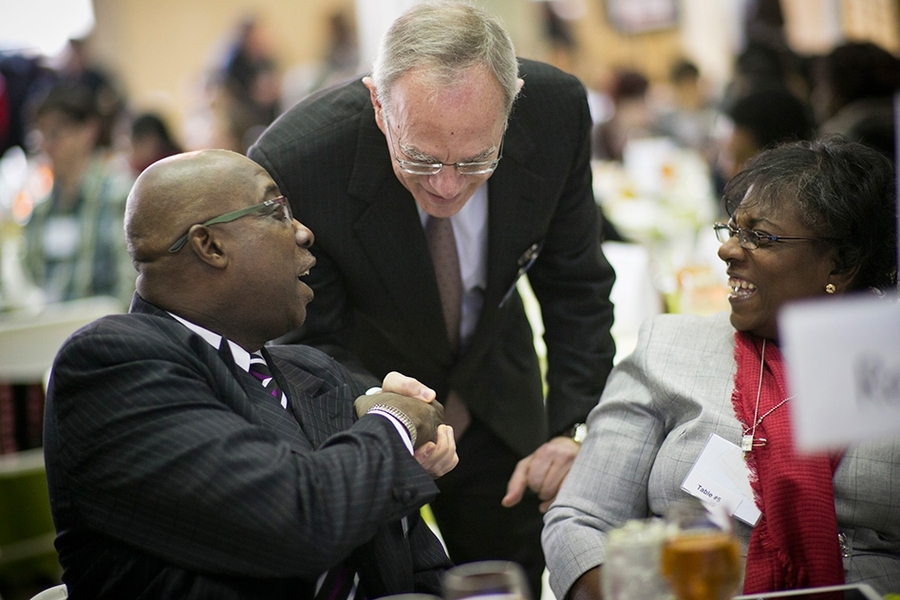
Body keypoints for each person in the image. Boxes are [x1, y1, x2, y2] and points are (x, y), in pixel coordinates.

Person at [248, 2, 617, 595]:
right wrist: (384, 416)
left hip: (500, 394)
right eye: (418, 157)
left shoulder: (556, 112)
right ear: (378, 105)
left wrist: (571, 428)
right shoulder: (299, 162)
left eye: (477, 159)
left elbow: (577, 286)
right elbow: (308, 339)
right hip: (369, 403)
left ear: (512, 102)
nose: (447, 186)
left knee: (510, 578)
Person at [42, 149, 458, 599]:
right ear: (210, 245)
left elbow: (422, 570)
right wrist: (394, 421)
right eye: (276, 210)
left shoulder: (317, 372)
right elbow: (298, 520)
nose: (304, 232)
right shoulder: (112, 364)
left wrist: (406, 428)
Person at [543, 138, 900, 599]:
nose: (728, 251)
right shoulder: (671, 350)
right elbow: (580, 521)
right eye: (731, 230)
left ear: (841, 262)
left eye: (760, 236)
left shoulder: (884, 367)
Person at [22, 80, 135, 305]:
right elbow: (30, 281)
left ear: (88, 131)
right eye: (40, 135)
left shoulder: (122, 196)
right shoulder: (40, 210)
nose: (46, 145)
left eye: (55, 133)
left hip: (107, 332)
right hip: (50, 331)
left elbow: (131, 284)